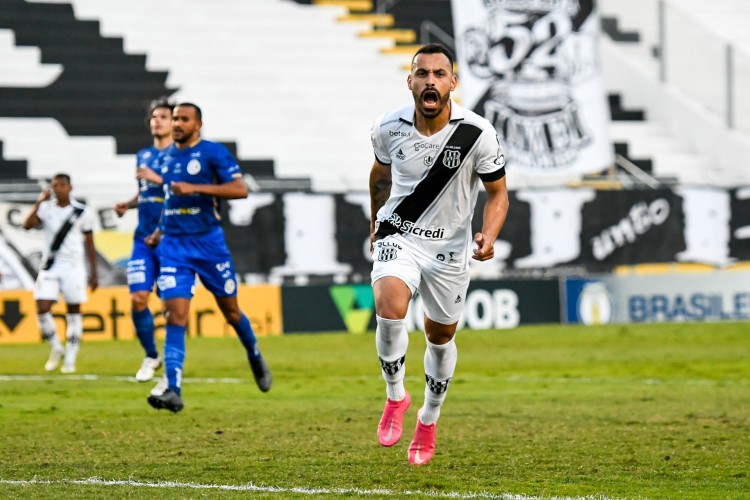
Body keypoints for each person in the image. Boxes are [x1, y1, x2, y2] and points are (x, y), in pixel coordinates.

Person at [369, 44, 509, 465]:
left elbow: (498, 193)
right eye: (422, 73)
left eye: (439, 73)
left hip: (449, 246)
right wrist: (375, 224)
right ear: (410, 81)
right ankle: (396, 397)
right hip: (400, 234)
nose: (430, 80)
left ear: (452, 82)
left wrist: (488, 233)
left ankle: (428, 418)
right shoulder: (387, 127)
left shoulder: (477, 132)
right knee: (389, 303)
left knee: (440, 336)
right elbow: (379, 178)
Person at [145, 102, 272, 413]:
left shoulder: (213, 153)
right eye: (174, 118)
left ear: (197, 125)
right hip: (174, 247)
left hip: (208, 245)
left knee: (231, 312)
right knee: (174, 315)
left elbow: (241, 189)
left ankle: (254, 355)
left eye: (183, 119)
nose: (176, 123)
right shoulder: (166, 157)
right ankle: (173, 389)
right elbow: (170, 200)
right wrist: (160, 231)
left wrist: (195, 188)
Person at [114, 98, 173, 382]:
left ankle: (173, 364)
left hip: (171, 239)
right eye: (154, 117)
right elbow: (148, 193)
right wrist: (129, 203)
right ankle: (151, 356)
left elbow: (180, 190)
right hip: (143, 239)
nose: (157, 121)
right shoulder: (143, 155)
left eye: (163, 116)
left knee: (171, 305)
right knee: (138, 298)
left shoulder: (181, 154)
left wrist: (158, 178)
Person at [23, 173, 99, 373]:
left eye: (62, 185)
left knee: (74, 311)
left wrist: (94, 272)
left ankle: (70, 358)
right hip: (50, 266)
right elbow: (27, 225)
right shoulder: (46, 209)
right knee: (42, 307)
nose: (58, 189)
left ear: (70, 187)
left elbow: (90, 243)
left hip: (74, 267)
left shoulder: (81, 212)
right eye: (55, 185)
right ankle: (57, 348)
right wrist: (39, 202)